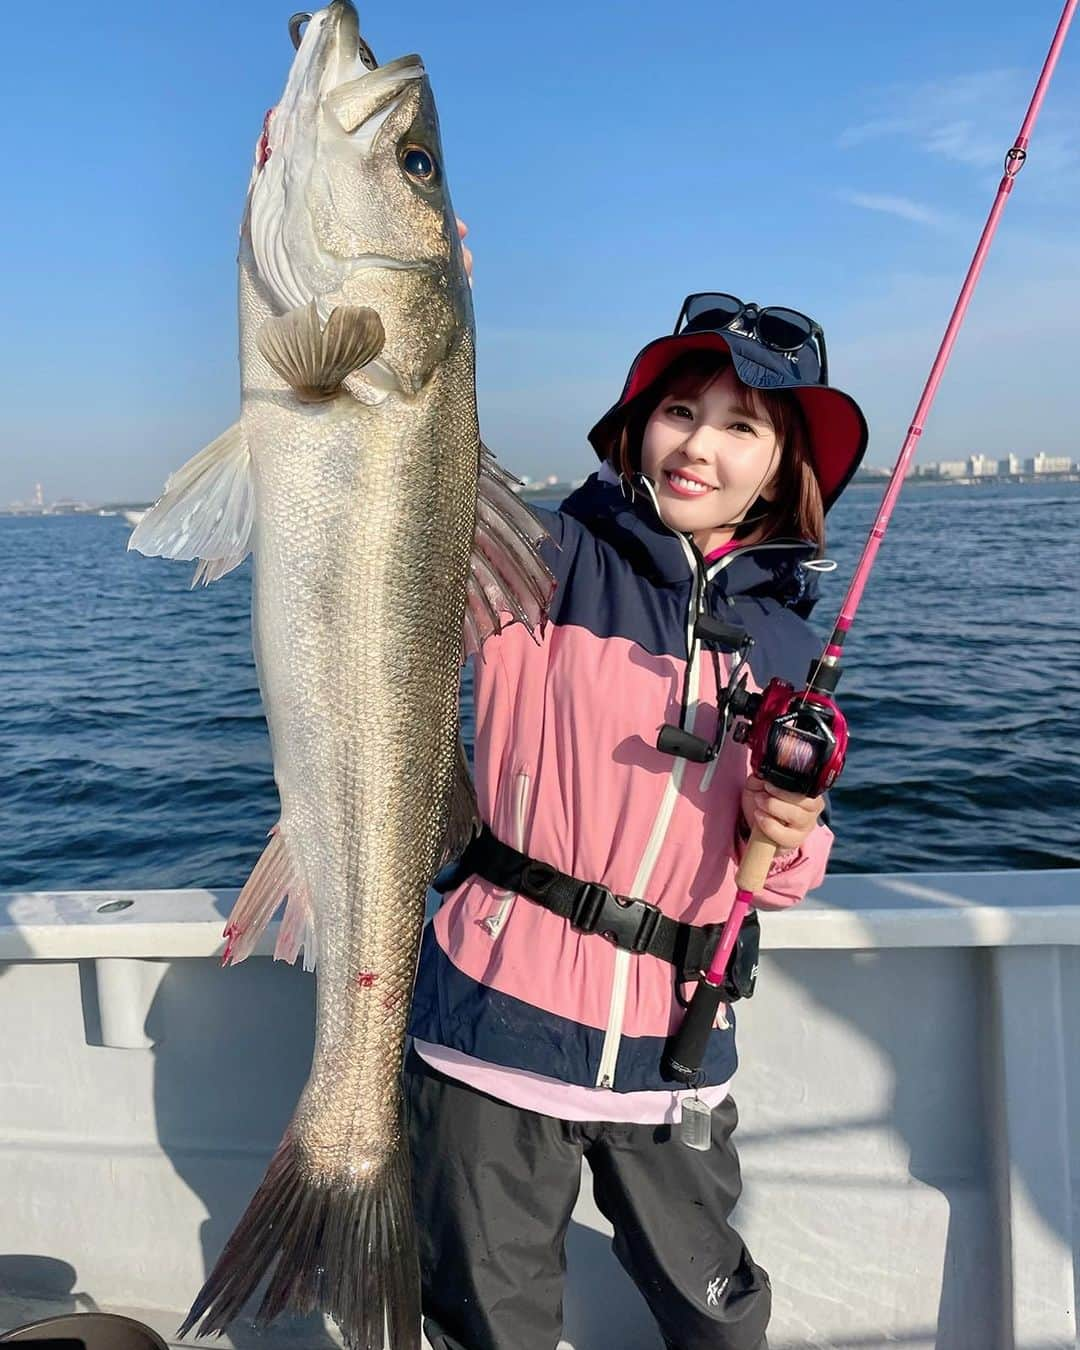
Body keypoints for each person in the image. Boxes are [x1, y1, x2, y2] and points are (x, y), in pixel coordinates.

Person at [406, 270, 869, 1350]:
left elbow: (786, 875)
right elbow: (419, 499)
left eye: (740, 426)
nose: (699, 445)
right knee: (490, 1325)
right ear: (634, 429)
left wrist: (789, 834)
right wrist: (420, 297)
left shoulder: (794, 646)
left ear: (784, 466)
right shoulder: (543, 561)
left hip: (675, 1048)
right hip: (491, 1021)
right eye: (678, 411)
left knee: (721, 1324)